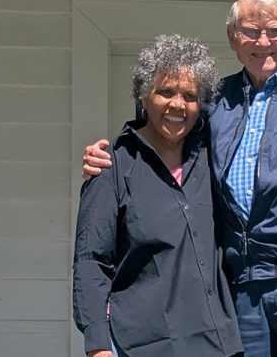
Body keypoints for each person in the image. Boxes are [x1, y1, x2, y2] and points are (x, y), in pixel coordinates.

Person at [82, 0, 277, 357]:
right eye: (251, 31)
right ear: (232, 37)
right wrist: (111, 153)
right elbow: (167, 128)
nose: (263, 42)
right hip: (240, 289)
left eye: (274, 30)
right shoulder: (218, 100)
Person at [72, 34, 242, 357]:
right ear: (143, 95)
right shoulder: (111, 167)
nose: (178, 104)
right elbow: (91, 263)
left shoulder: (213, 156)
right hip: (144, 344)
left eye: (189, 96)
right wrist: (98, 346)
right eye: (166, 92)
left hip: (216, 343)